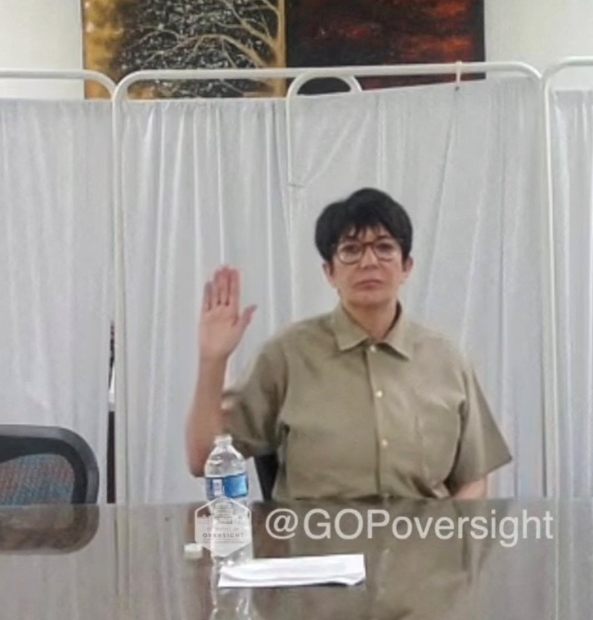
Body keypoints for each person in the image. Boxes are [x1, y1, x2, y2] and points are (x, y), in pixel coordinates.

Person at [185, 187, 512, 501]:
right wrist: (211, 360)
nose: (369, 262)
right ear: (329, 272)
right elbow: (203, 460)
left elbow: (473, 479)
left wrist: (452, 543)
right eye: (351, 250)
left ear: (406, 267)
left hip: (423, 551)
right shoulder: (287, 355)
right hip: (316, 550)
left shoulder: (447, 359)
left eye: (384, 247)